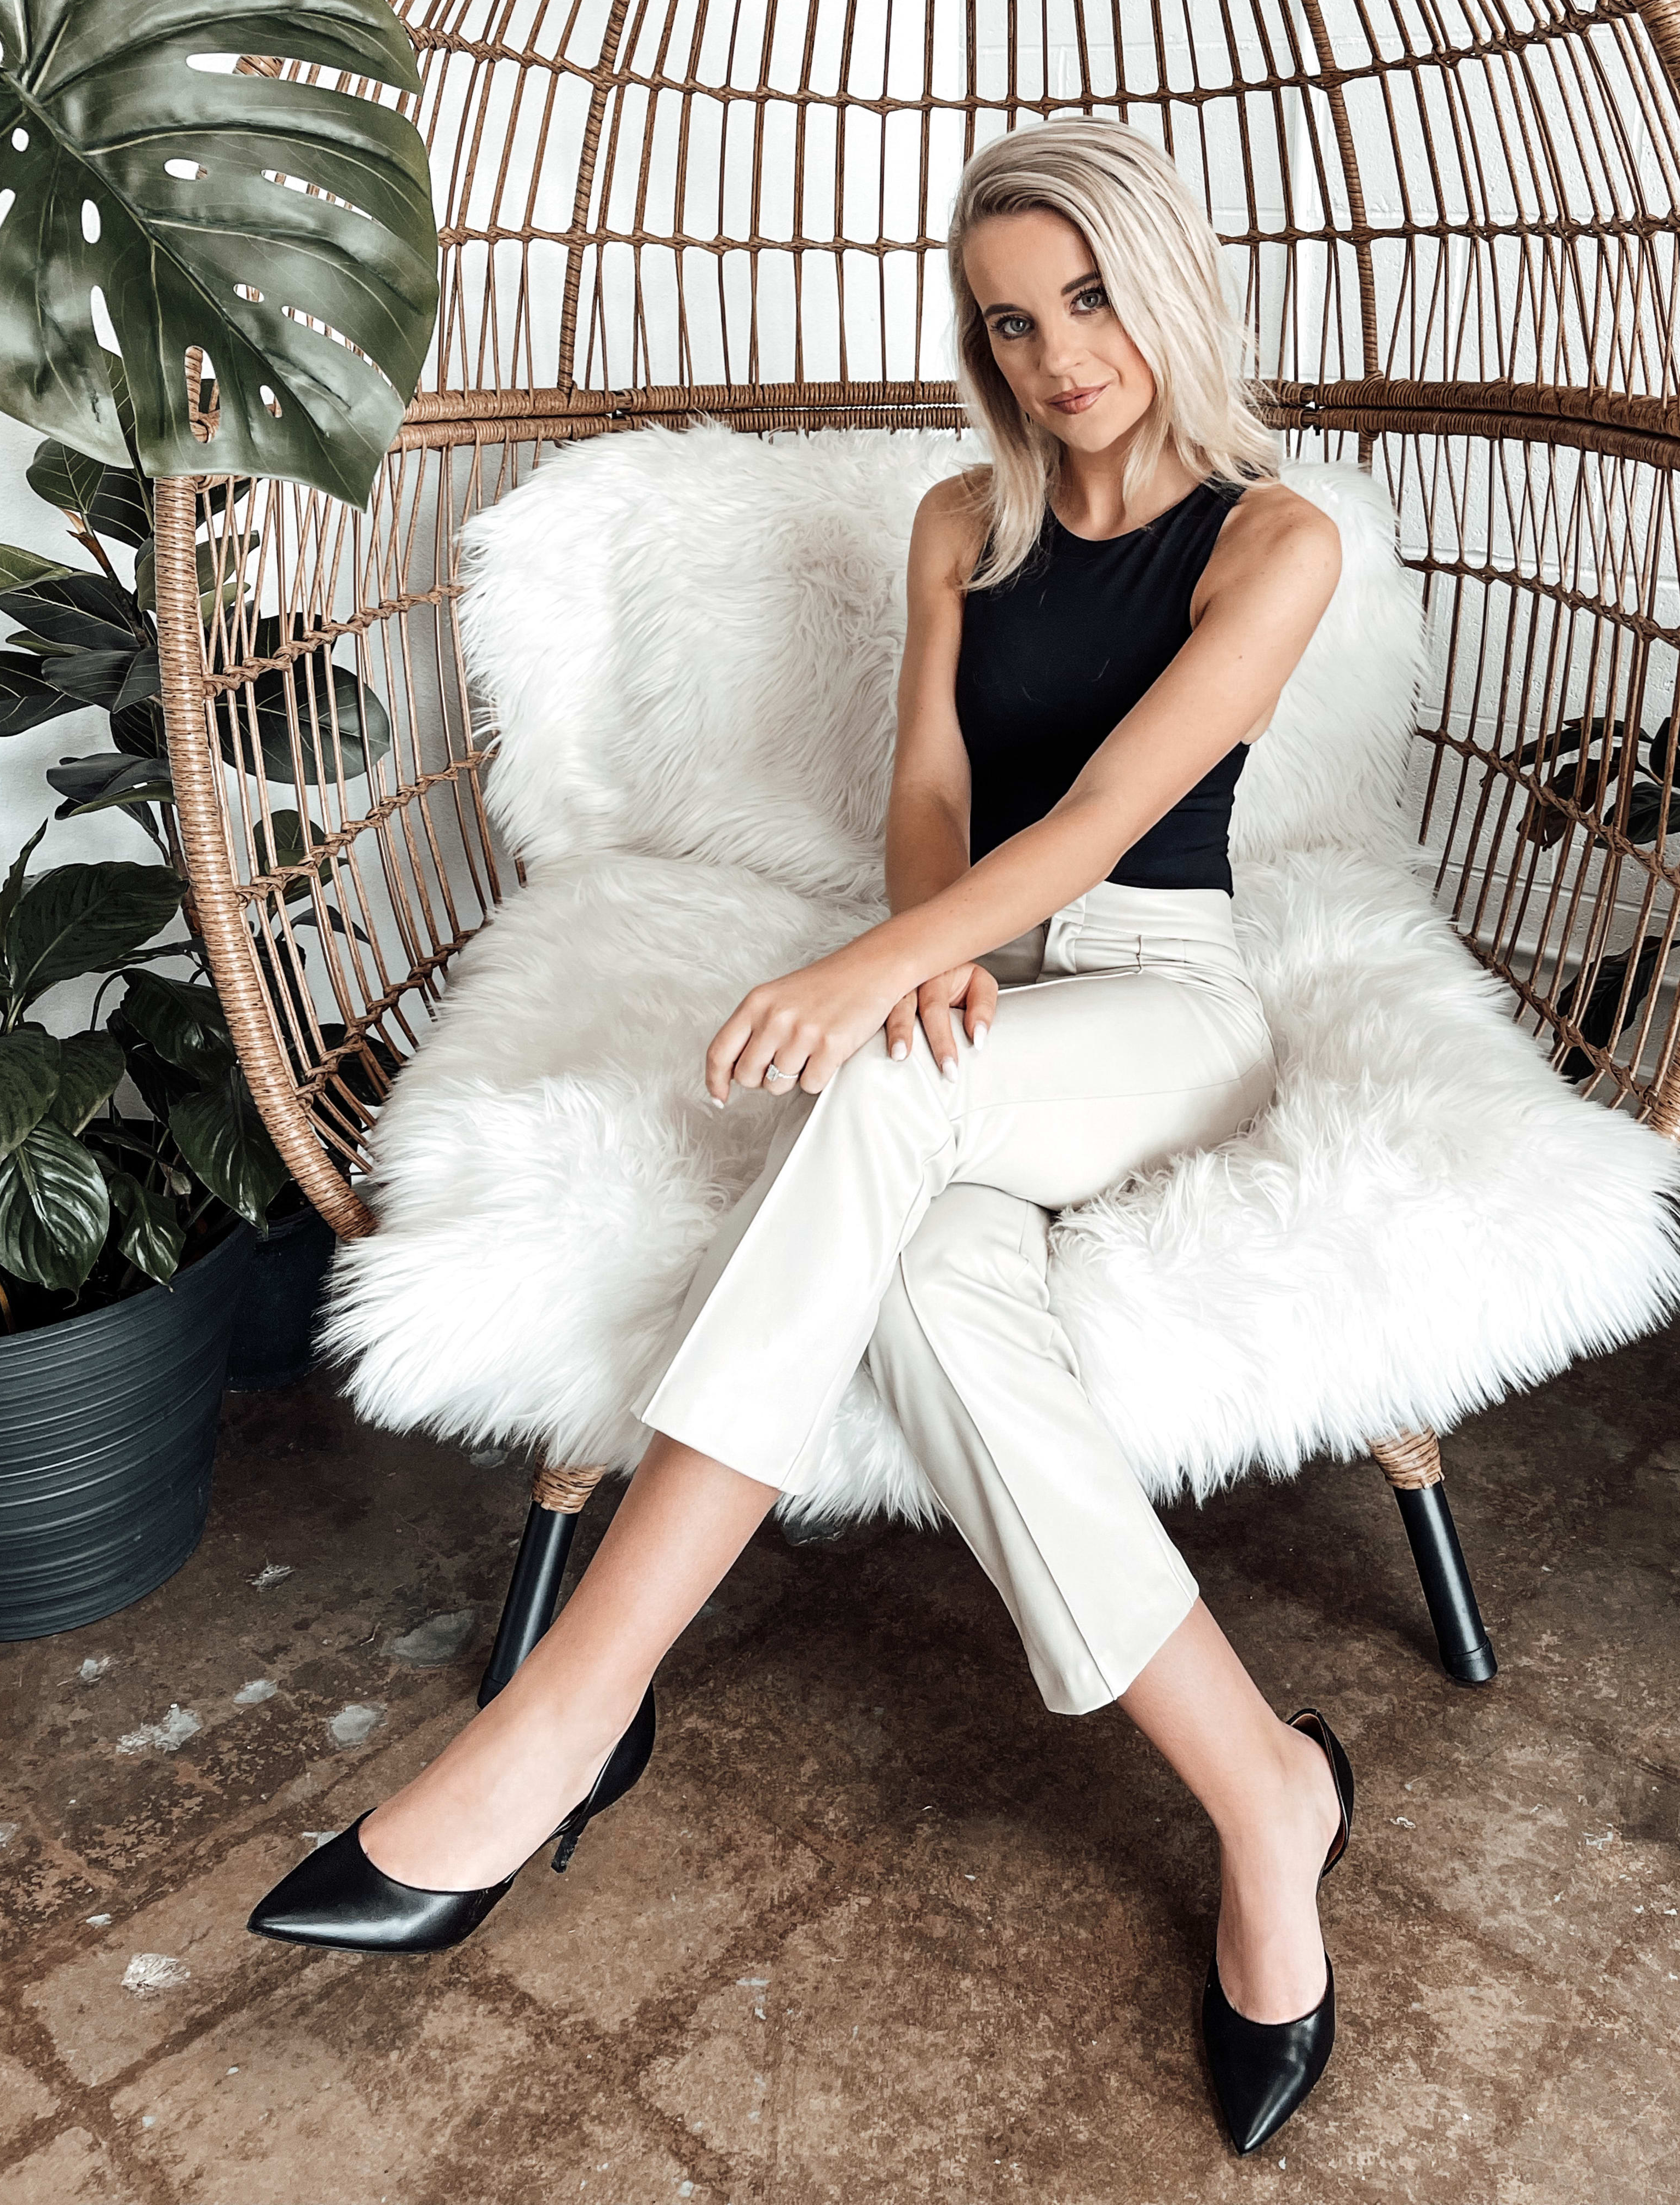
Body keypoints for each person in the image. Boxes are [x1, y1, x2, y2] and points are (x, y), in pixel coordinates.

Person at [247, 117, 1355, 2157]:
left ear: (1165, 290)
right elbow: (928, 805)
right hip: (981, 974)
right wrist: (919, 957)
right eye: (1013, 319)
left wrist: (880, 993)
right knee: (937, 1287)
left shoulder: (1275, 541)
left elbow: (1108, 818)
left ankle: (572, 1710)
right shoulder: (959, 518)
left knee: (878, 1090)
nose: (1058, 354)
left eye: (1093, 299)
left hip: (1164, 994)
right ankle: (1266, 1794)